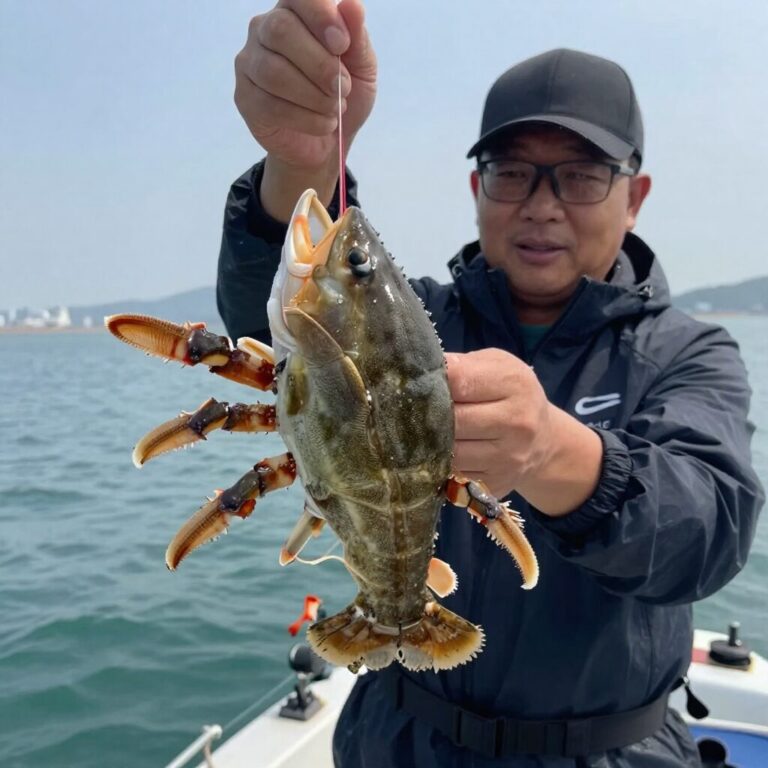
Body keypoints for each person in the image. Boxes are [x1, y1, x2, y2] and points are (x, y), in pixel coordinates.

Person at [216, 2, 765, 765]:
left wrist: (553, 453)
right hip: (399, 739)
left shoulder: (687, 352)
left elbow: (709, 533)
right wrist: (303, 162)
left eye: (580, 176)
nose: (542, 205)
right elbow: (285, 346)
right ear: (476, 186)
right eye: (513, 172)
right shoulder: (420, 319)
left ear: (633, 198)